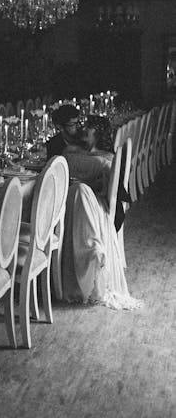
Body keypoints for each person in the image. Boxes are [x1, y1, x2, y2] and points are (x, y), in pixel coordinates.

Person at [61, 117, 140, 311]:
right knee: (79, 191)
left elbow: (106, 188)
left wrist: (85, 184)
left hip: (96, 201)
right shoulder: (71, 151)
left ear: (99, 133)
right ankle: (91, 249)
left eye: (89, 127)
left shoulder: (108, 157)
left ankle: (93, 251)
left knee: (82, 192)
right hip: (67, 199)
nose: (83, 129)